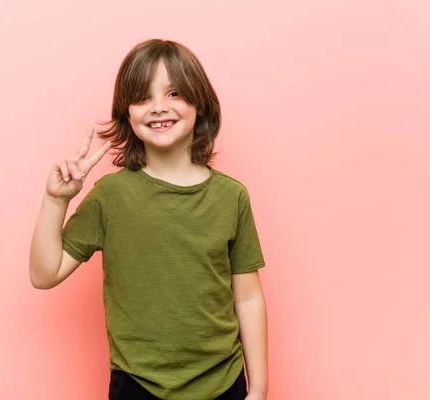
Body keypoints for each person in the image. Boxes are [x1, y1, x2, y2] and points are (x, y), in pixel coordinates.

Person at [29, 38, 268, 400]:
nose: (158, 108)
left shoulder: (231, 197)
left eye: (174, 93)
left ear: (200, 105)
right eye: (142, 97)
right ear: (127, 112)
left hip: (223, 383)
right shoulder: (110, 196)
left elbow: (248, 298)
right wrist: (54, 200)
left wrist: (260, 388)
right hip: (137, 386)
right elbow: (44, 274)